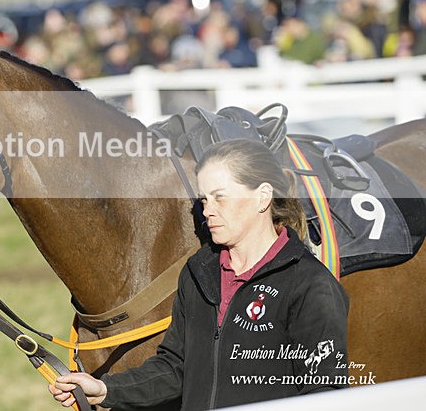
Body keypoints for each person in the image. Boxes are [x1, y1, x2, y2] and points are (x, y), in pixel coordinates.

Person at [50, 139, 349, 410]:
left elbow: (324, 395)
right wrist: (103, 390)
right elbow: (176, 367)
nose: (207, 211)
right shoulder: (198, 271)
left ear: (262, 197)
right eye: (204, 200)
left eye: (221, 197)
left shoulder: (311, 285)